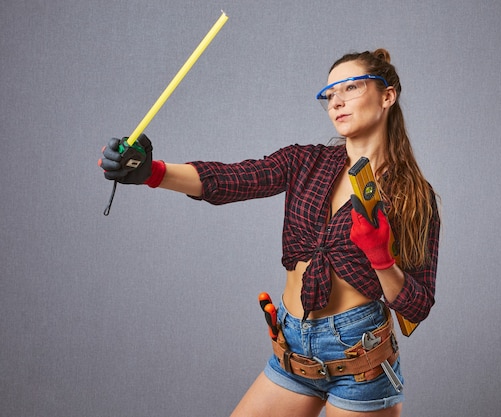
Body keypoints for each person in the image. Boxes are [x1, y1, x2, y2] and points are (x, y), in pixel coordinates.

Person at [99, 49, 440, 417]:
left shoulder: (413, 197)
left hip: (361, 359)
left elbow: (418, 304)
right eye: (329, 94)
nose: (336, 101)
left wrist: (381, 259)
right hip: (292, 349)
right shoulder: (304, 162)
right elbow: (233, 179)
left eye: (351, 87)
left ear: (387, 96)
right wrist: (152, 172)